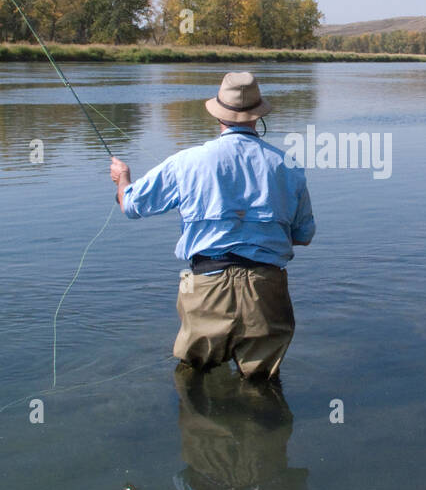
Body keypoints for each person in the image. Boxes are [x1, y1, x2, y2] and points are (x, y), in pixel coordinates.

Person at [109, 71, 315, 380]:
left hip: (206, 285)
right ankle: (263, 422)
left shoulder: (187, 161)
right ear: (258, 116)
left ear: (218, 114)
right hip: (266, 289)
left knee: (194, 378)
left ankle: (201, 424)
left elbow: (131, 206)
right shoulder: (289, 166)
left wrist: (122, 178)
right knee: (262, 384)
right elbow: (304, 235)